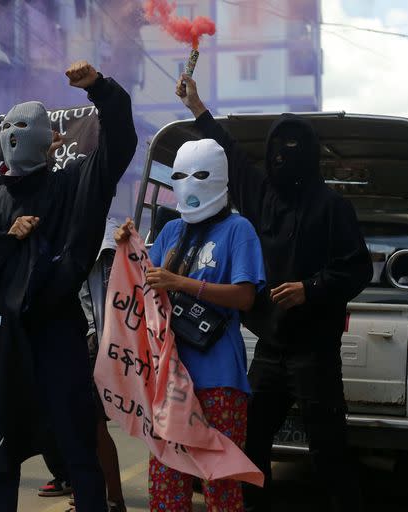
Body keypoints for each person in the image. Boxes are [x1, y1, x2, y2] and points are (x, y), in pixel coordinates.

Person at [176, 75, 373, 512]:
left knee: (328, 453)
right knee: (251, 446)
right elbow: (229, 152)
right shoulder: (262, 193)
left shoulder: (333, 207)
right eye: (276, 148)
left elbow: (358, 267)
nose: (283, 157)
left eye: (293, 148)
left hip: (315, 351)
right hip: (270, 348)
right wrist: (198, 108)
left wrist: (311, 288)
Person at [0, 60, 137, 512]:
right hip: (5, 342)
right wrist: (6, 242)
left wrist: (101, 89)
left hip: (58, 333)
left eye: (26, 127)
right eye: (12, 128)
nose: (16, 134)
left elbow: (118, 143)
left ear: (50, 141)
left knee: (77, 446)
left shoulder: (75, 183)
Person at [115, 138, 265, 512]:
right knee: (167, 483)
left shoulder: (238, 229)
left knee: (221, 484)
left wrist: (182, 283)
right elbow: (142, 285)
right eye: (180, 176)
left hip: (218, 379)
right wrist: (126, 244)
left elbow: (246, 296)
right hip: (169, 378)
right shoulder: (171, 231)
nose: (189, 183)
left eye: (197, 174)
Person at [37, 218, 127, 512]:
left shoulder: (105, 230)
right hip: (81, 334)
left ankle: (110, 499)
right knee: (85, 425)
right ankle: (102, 497)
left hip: (93, 337)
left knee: (92, 426)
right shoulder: (69, 220)